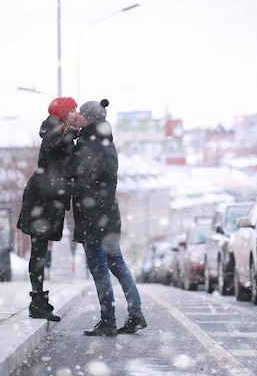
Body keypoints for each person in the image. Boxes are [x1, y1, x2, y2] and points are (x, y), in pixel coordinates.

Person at [72, 99, 147, 336]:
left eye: (82, 114)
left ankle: (108, 321)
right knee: (118, 265)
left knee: (101, 270)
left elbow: (84, 182)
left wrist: (68, 184)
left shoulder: (89, 146)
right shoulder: (106, 142)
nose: (78, 117)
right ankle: (135, 315)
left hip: (94, 218)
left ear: (90, 119)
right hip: (109, 214)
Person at [17, 97, 79, 322]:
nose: (75, 114)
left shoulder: (57, 134)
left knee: (40, 250)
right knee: (39, 251)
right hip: (42, 199)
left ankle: (39, 300)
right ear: (63, 114)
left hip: (44, 197)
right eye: (72, 111)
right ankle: (37, 302)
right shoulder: (57, 136)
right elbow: (58, 170)